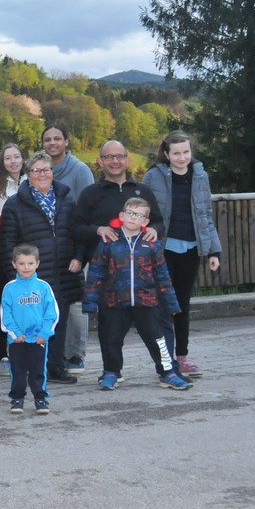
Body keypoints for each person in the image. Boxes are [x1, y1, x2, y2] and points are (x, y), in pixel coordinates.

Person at [71, 140, 173, 382]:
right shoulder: (90, 194)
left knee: (155, 330)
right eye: (108, 157)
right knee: (110, 330)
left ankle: (167, 370)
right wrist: (98, 230)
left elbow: (158, 221)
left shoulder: (143, 192)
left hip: (143, 276)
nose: (114, 161)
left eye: (119, 156)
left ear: (127, 159)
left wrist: (155, 231)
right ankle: (111, 372)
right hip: (108, 275)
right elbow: (75, 228)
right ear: (100, 161)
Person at [82, 198, 190, 391]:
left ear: (145, 222)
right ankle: (111, 372)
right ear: (122, 216)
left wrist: (171, 303)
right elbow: (96, 272)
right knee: (111, 338)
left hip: (146, 301)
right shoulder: (109, 241)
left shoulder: (152, 245)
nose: (133, 218)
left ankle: (168, 372)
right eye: (130, 213)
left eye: (139, 215)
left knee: (158, 339)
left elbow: (162, 276)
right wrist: (90, 301)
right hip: (114, 301)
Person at [0, 151, 81, 386]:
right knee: (29, 323)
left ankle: (56, 366)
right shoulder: (15, 204)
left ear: (53, 173)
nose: (42, 174)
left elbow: (76, 233)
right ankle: (29, 369)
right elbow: (7, 244)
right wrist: (13, 276)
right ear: (28, 174)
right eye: (36, 170)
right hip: (30, 275)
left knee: (57, 319)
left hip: (63, 269)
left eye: (46, 170)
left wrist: (78, 257)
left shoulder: (66, 198)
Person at [143, 130, 222, 377]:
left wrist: (213, 250)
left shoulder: (200, 176)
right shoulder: (153, 176)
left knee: (182, 305)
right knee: (162, 305)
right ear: (166, 154)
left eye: (186, 152)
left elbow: (205, 215)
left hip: (190, 248)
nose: (182, 157)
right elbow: (143, 212)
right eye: (176, 153)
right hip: (162, 249)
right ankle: (164, 361)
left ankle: (182, 358)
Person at [0, 244, 59, 415]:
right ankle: (17, 398)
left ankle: (40, 398)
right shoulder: (10, 288)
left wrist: (44, 333)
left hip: (38, 339)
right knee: (17, 370)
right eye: (21, 263)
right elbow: (6, 314)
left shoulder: (43, 287)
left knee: (38, 370)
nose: (26, 267)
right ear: (14, 264)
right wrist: (15, 334)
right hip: (17, 340)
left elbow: (52, 312)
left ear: (37, 264)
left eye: (30, 263)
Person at [0, 143, 24, 376]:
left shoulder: (30, 180)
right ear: (2, 161)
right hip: (2, 254)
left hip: (29, 255)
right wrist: (3, 243)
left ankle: (26, 351)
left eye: (17, 156)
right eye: (8, 157)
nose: (13, 161)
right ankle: (3, 355)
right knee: (4, 303)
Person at [42, 124, 95, 200]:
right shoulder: (37, 172)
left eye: (57, 139)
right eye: (47, 140)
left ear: (66, 142)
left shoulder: (81, 171)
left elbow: (90, 205)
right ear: (43, 144)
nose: (52, 143)